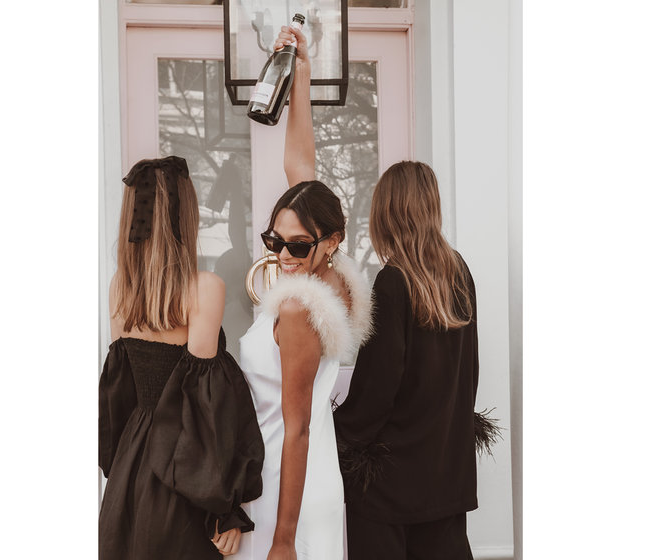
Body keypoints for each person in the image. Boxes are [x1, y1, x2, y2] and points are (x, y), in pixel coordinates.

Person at [232, 25, 373, 560]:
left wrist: (283, 541)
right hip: (308, 482)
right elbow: (302, 168)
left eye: (296, 246)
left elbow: (295, 435)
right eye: (275, 241)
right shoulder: (328, 281)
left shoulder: (297, 308)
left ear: (330, 241)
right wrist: (301, 72)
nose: (283, 256)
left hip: (281, 488)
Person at [98, 156, 265, 559]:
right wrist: (226, 508)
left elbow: (116, 400)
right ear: (183, 217)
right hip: (179, 473)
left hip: (130, 474)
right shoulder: (204, 289)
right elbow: (205, 411)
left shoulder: (120, 289)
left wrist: (122, 472)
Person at [333, 160, 497, 560]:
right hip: (445, 472)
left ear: (386, 213)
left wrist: (333, 433)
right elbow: (468, 372)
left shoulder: (393, 281)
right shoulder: (459, 272)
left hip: (391, 483)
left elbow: (378, 388)